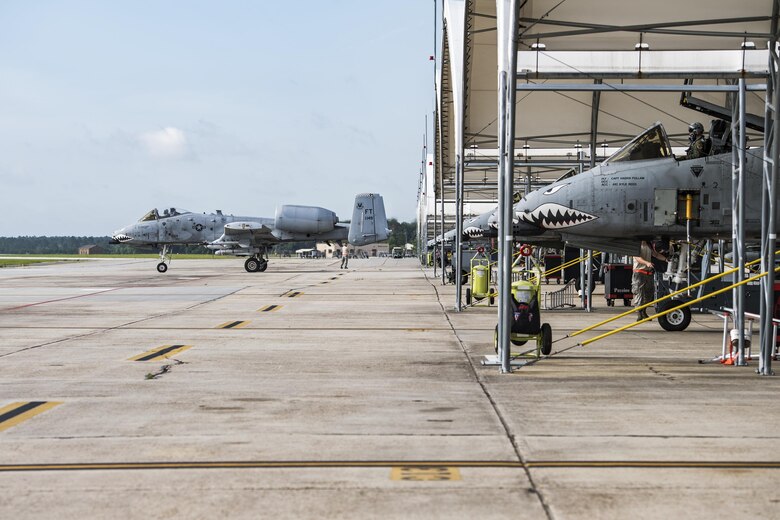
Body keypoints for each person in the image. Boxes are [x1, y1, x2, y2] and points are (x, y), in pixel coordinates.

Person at [632, 241, 666, 321]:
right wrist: (646, 263)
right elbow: (637, 258)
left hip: (648, 273)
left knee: (649, 293)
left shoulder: (649, 244)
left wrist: (665, 259)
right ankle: (639, 313)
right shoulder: (636, 245)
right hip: (639, 272)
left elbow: (656, 254)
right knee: (639, 293)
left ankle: (643, 310)